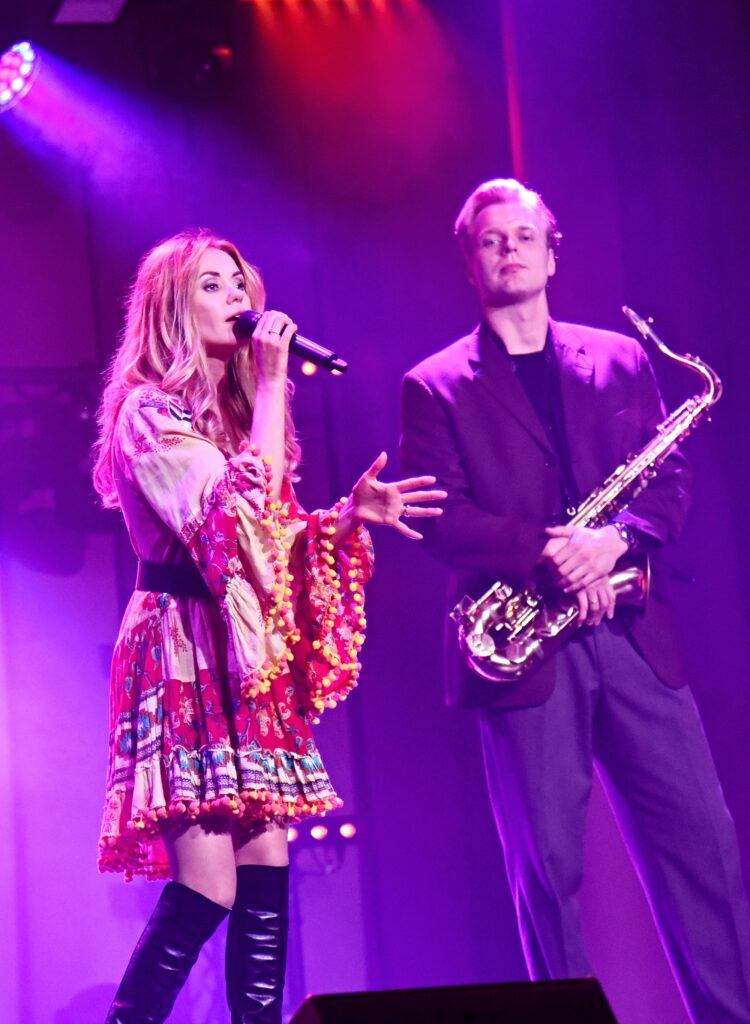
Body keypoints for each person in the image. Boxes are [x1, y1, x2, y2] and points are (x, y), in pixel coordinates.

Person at [400, 178, 750, 1022]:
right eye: (491, 240)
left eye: (525, 236)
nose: (510, 250)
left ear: (552, 253)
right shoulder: (433, 384)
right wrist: (553, 552)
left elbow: (668, 481)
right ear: (470, 261)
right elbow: (439, 516)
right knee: (547, 874)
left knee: (704, 855)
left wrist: (615, 543)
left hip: (633, 635)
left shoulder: (620, 358)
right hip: (522, 649)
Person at [92, 229, 445, 1024]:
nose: (237, 298)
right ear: (171, 310)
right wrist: (278, 379)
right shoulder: (147, 413)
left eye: (239, 283)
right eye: (211, 285)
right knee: (208, 885)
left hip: (239, 655)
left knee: (266, 871)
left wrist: (345, 518)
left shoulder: (240, 414)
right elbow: (232, 525)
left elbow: (272, 540)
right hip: (181, 647)